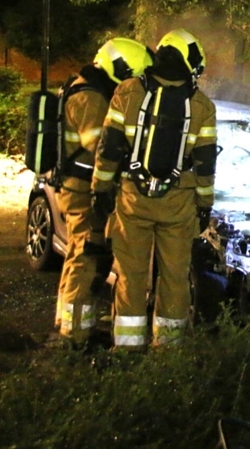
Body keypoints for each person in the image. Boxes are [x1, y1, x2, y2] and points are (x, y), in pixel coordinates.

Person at [91, 29, 217, 349]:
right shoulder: (201, 104)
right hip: (179, 203)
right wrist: (205, 205)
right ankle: (168, 353)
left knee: (131, 276)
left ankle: (128, 350)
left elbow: (109, 148)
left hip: (133, 198)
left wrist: (100, 189)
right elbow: (205, 163)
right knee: (175, 278)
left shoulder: (128, 91)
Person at [54, 37, 154, 346]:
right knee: (87, 257)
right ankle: (75, 337)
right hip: (84, 191)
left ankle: (69, 325)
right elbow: (100, 148)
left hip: (79, 188)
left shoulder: (85, 86)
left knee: (79, 256)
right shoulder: (92, 99)